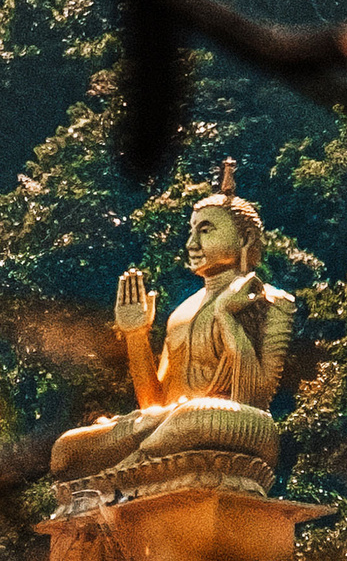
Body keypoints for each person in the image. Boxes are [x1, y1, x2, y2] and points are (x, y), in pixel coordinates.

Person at [50, 173, 295, 483]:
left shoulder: (272, 301)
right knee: (65, 450)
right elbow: (154, 404)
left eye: (206, 231)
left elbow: (253, 401)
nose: (192, 244)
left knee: (204, 417)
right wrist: (136, 336)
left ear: (245, 239)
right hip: (167, 422)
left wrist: (226, 314)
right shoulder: (181, 313)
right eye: (192, 232)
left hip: (223, 423)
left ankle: (136, 462)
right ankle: (145, 457)